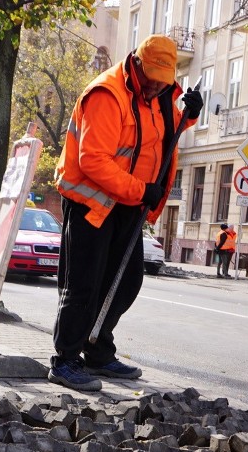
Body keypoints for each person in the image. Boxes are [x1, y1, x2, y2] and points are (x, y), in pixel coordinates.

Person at [49, 35, 202, 392]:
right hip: (94, 204)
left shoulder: (159, 94)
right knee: (83, 284)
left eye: (162, 82)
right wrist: (141, 190)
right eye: (150, 79)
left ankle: (97, 350)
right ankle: (65, 360)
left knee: (125, 281)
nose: (154, 88)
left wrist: (188, 115)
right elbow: (93, 161)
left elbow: (159, 135)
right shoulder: (107, 94)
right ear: (136, 63)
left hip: (128, 206)